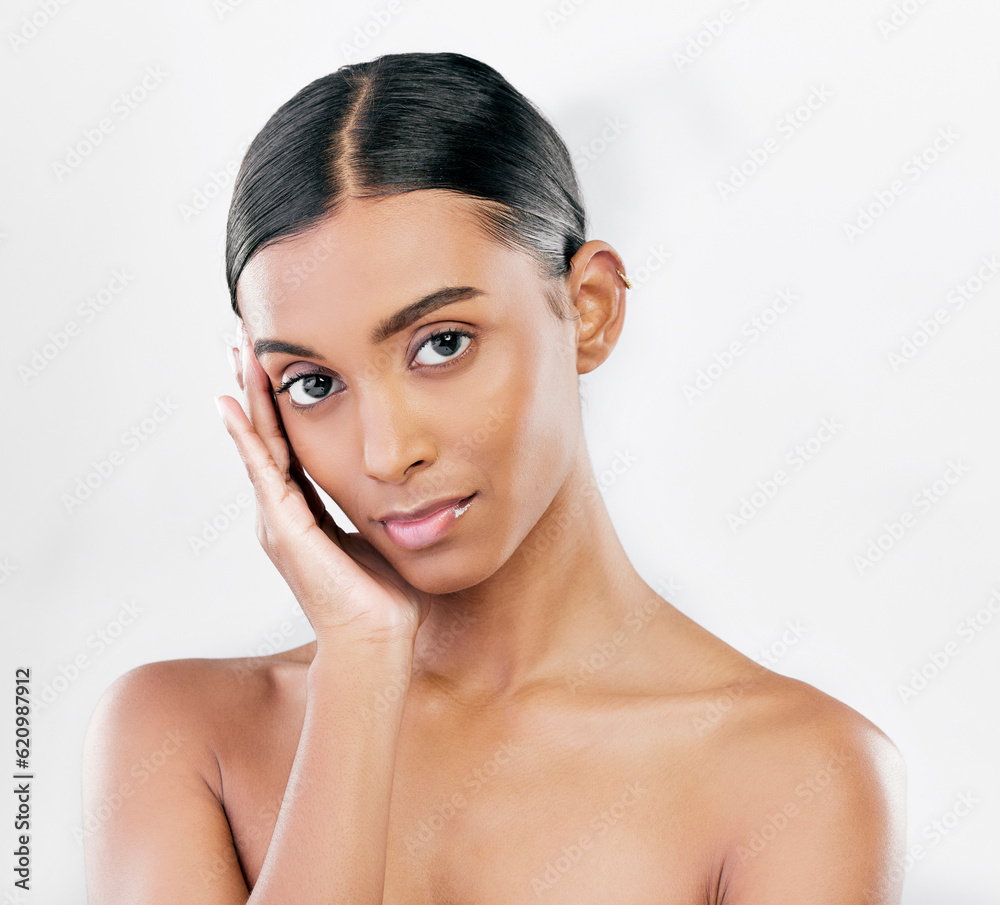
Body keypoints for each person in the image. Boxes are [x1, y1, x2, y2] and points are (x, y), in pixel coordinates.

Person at [82, 51, 906, 904]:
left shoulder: (799, 772)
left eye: (441, 343)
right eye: (313, 384)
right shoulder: (177, 734)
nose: (384, 453)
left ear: (588, 308)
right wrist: (360, 662)